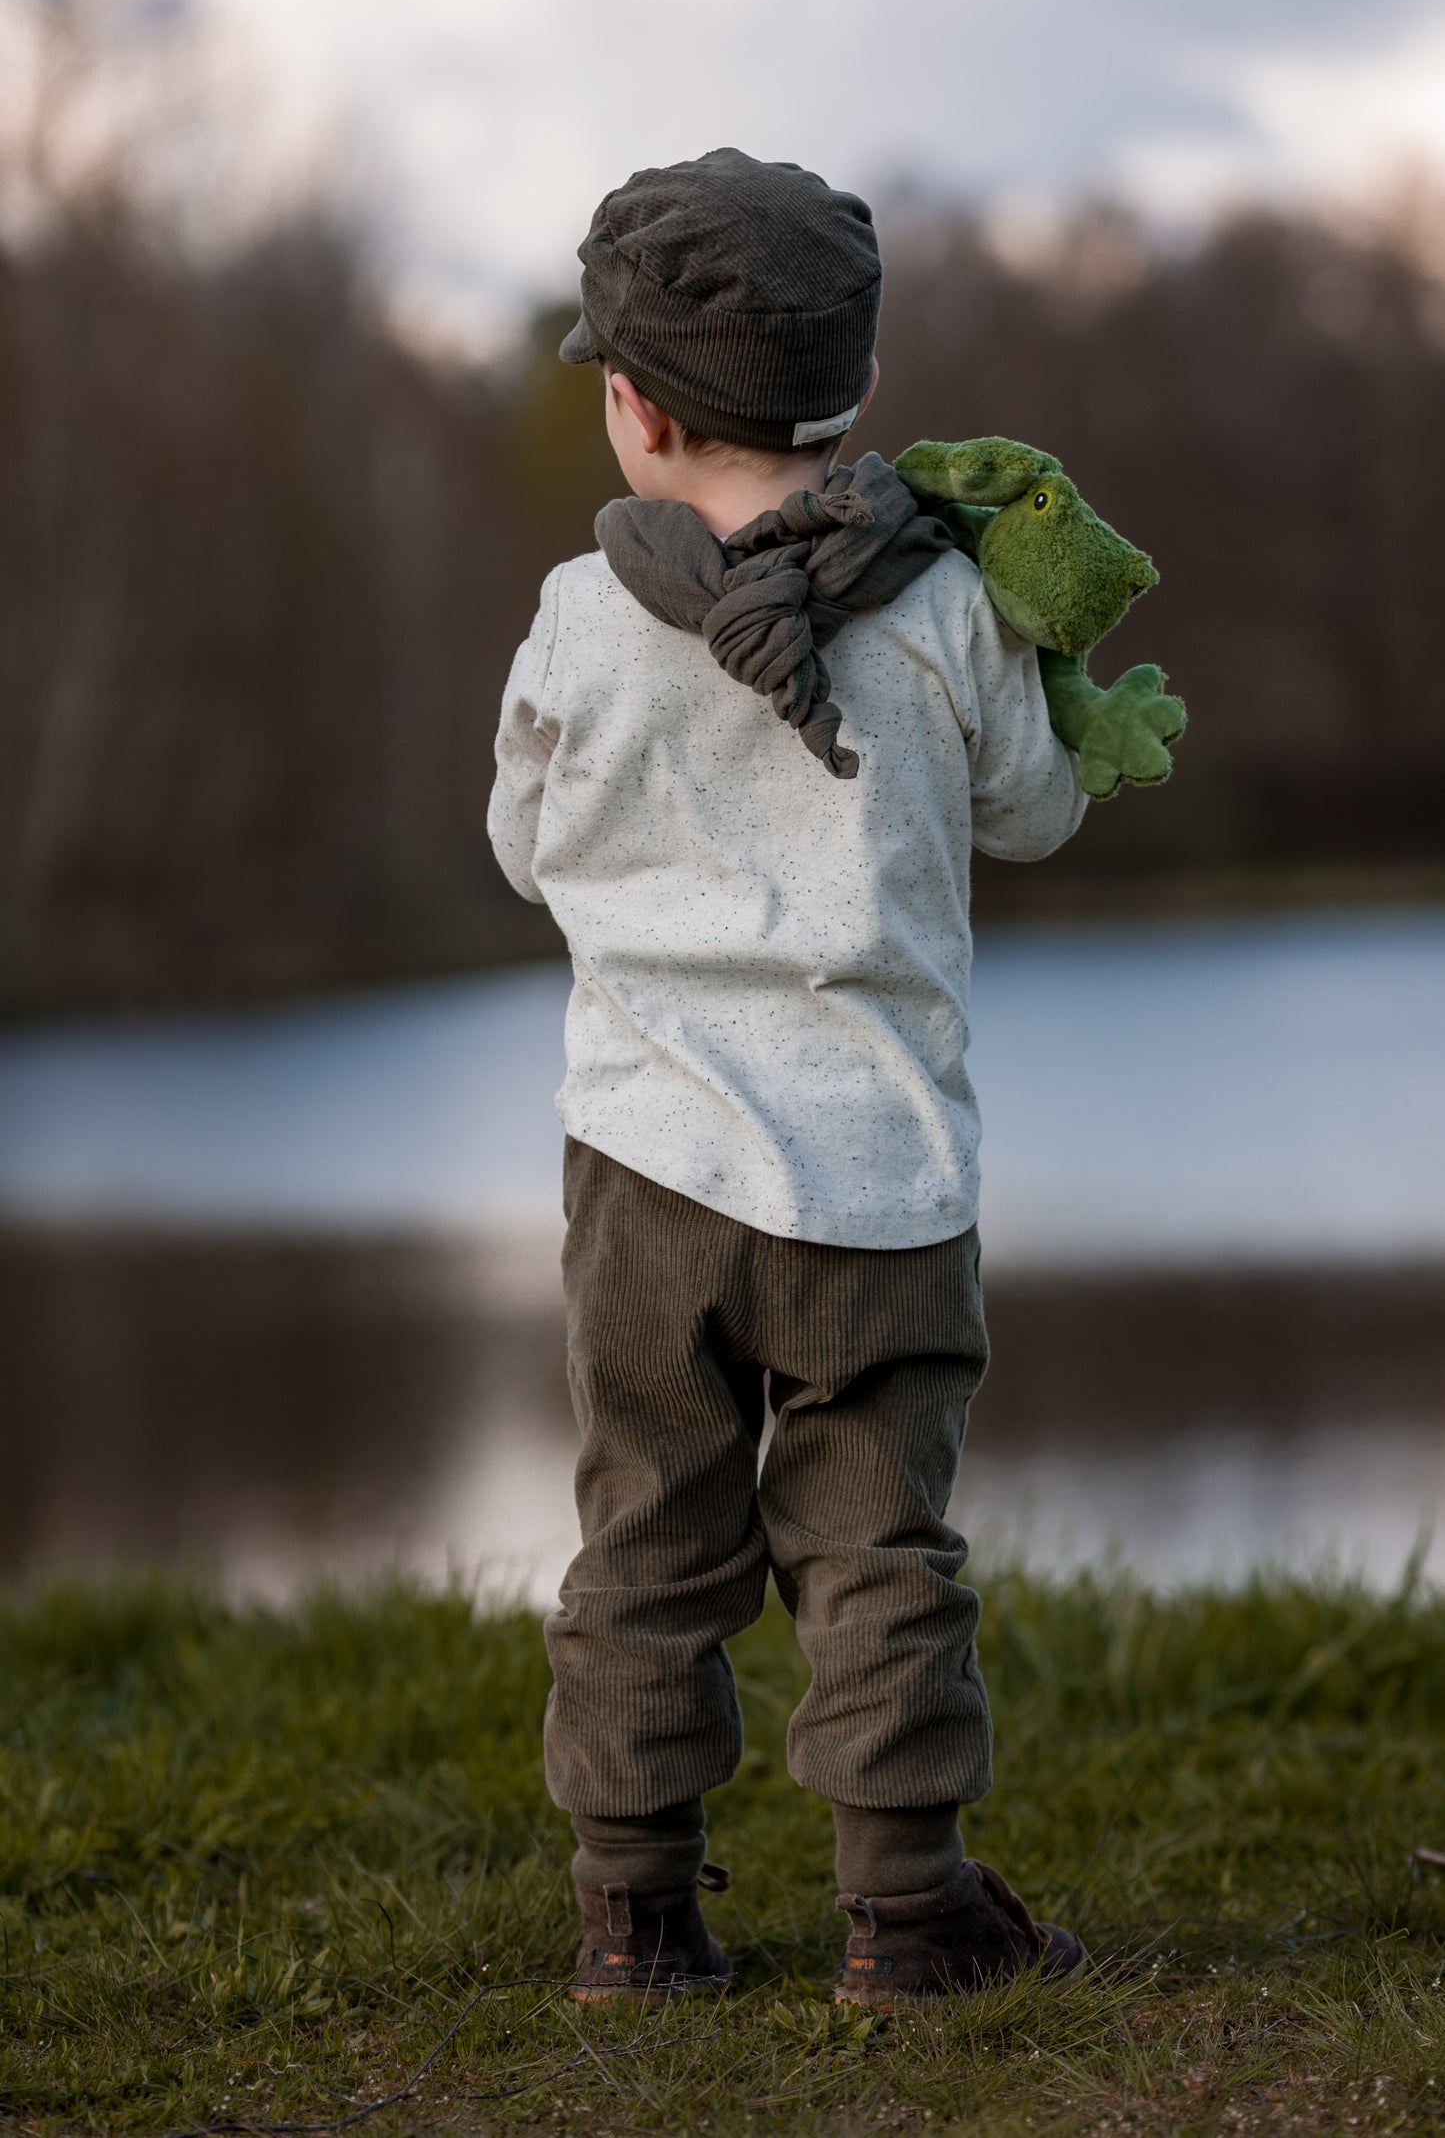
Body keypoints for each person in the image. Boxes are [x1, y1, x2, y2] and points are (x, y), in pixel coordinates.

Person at [487, 147, 1087, 2008]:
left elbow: (522, 848)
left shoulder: (579, 614)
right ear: (860, 385)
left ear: (638, 408)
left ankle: (633, 1919)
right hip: (878, 1174)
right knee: (877, 1543)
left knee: (645, 1539)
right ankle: (908, 1916)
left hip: (643, 1170)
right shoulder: (943, 603)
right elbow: (1034, 812)